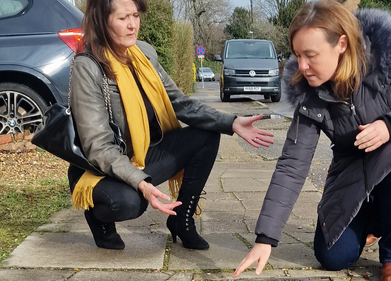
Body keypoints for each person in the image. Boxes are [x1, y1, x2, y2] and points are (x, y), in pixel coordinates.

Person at [233, 1, 391, 280]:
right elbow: (292, 165)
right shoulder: (308, 92)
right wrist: (266, 238)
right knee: (333, 257)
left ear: (342, 44)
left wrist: (390, 125)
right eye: (297, 54)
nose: (302, 65)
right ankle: (376, 218)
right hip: (353, 165)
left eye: (310, 55)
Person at [68, 0, 274, 251]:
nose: (133, 25)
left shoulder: (143, 54)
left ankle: (182, 221)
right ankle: (99, 218)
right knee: (129, 203)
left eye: (135, 15)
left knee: (206, 135)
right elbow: (99, 148)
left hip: (141, 155)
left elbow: (179, 103)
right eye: (123, 19)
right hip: (100, 168)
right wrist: (142, 183)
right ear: (102, 21)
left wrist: (230, 122)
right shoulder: (87, 66)